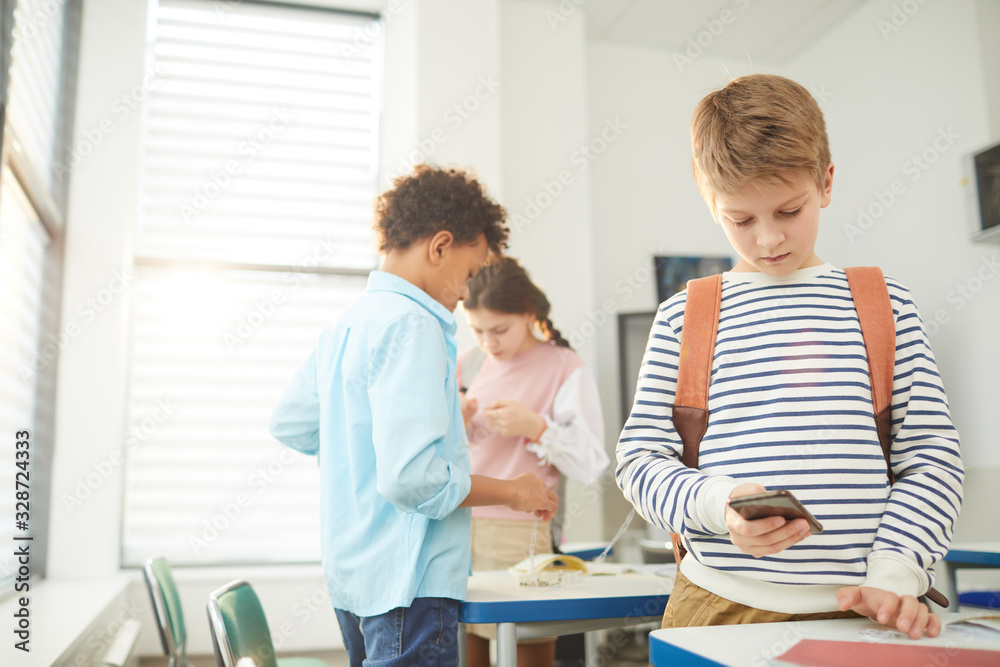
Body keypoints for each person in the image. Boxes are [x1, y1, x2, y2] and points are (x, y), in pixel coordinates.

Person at [615, 74, 963, 640]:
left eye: (789, 211)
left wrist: (896, 569)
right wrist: (718, 505)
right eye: (741, 221)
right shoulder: (685, 315)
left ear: (825, 182)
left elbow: (932, 459)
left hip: (864, 610)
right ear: (711, 205)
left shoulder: (883, 305)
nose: (768, 240)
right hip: (718, 606)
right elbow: (638, 462)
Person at [270, 165, 558, 667]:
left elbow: (291, 424)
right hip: (411, 585)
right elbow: (413, 481)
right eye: (470, 274)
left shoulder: (348, 323)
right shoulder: (416, 325)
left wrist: (358, 445)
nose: (467, 292)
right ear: (440, 246)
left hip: (353, 577)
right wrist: (516, 491)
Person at [458, 257, 609, 667]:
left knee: (527, 651)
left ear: (528, 314)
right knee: (464, 649)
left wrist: (536, 426)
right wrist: (455, 420)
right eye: (477, 330)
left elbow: (592, 463)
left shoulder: (564, 368)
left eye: (499, 329)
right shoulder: (468, 362)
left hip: (517, 532)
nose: (488, 342)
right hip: (454, 528)